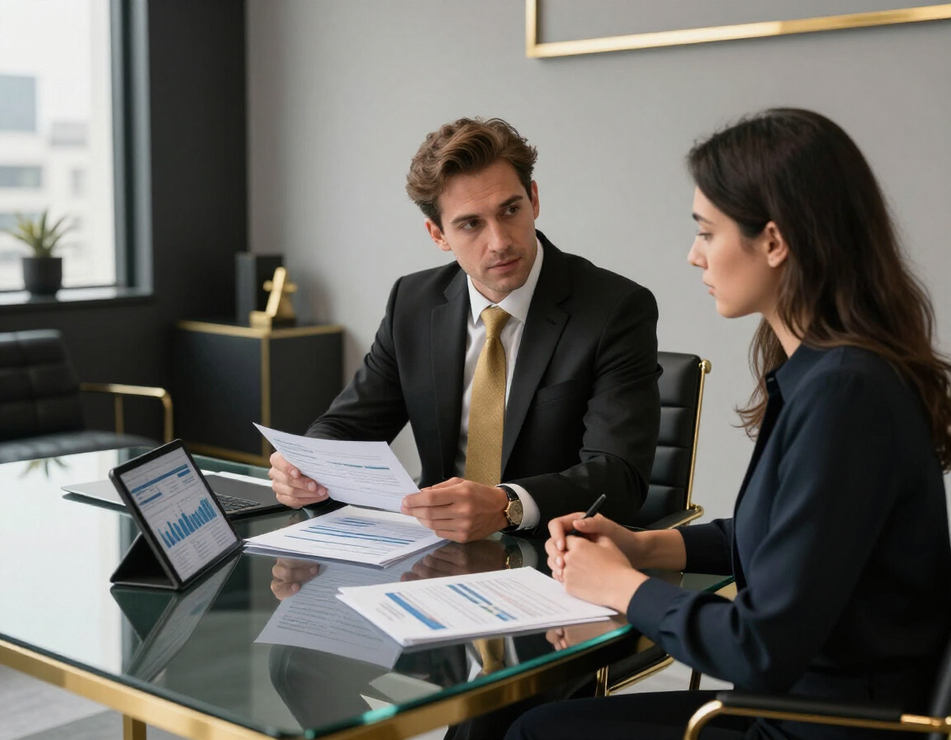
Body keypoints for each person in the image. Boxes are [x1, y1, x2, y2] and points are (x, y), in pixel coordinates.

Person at [507, 108, 951, 740]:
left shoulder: (847, 394)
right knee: (538, 725)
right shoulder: (832, 374)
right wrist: (644, 546)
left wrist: (623, 586)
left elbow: (759, 646)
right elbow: (781, 537)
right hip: (795, 709)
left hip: (817, 725)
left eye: (707, 233)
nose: (694, 256)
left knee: (536, 734)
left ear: (773, 241)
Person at [268, 117, 661, 542]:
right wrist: (304, 466)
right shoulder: (413, 303)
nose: (500, 242)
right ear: (438, 234)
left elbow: (620, 477)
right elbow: (348, 427)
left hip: (554, 553)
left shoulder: (614, 309)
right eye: (471, 224)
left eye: (510, 210)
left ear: (534, 199)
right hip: (433, 549)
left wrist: (506, 505)